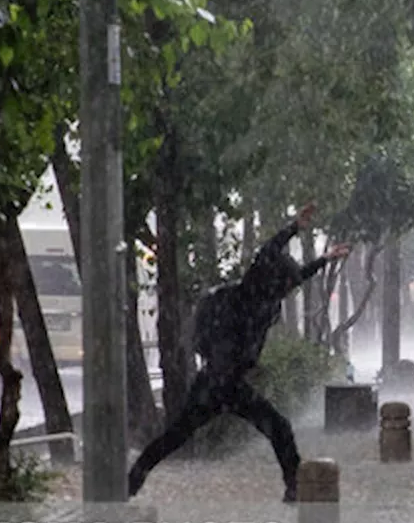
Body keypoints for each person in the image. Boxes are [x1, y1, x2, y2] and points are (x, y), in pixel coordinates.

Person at [127, 203, 351, 503]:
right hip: (222, 381)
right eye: (288, 282)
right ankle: (295, 487)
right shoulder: (252, 290)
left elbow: (298, 275)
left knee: (180, 434)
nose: (291, 287)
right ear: (276, 279)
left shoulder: (268, 295)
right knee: (276, 427)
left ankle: (133, 479)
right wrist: (293, 227)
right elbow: (267, 252)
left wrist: (324, 258)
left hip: (220, 379)